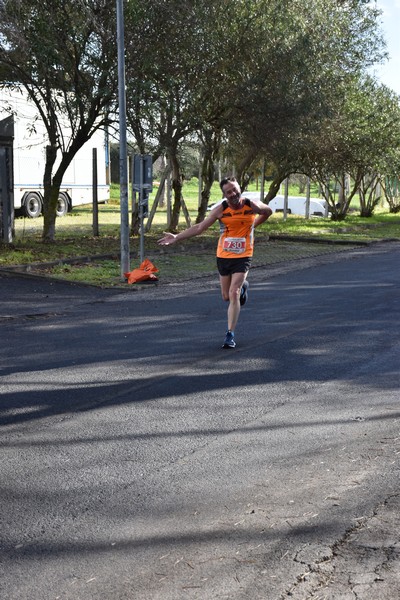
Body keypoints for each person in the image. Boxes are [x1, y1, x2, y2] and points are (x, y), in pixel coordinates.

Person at [158, 176, 273, 348]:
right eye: (228, 192)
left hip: (244, 255)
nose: (233, 193)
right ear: (225, 195)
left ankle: (230, 334)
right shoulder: (221, 210)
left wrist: (253, 225)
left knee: (233, 292)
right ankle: (244, 287)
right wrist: (176, 237)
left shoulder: (252, 204)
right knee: (226, 296)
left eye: (234, 189)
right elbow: (199, 228)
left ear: (239, 188)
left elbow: (268, 212)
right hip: (223, 256)